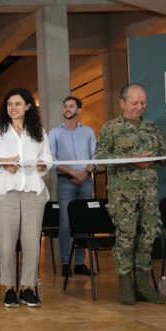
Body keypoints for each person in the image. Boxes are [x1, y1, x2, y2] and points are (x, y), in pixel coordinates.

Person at [94, 83, 166, 305]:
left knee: (147, 236)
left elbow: (163, 151)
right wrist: (133, 160)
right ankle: (125, 285)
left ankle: (143, 285)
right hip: (122, 193)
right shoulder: (111, 128)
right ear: (122, 103)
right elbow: (100, 156)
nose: (139, 107)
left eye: (143, 103)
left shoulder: (151, 127)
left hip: (148, 192)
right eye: (134, 103)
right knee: (126, 236)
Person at [0, 88, 52, 308]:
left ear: (28, 106)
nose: (13, 108)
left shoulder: (38, 131)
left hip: (33, 191)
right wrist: (2, 161)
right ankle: (9, 289)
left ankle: (28, 288)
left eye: (18, 104)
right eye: (9, 104)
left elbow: (47, 158)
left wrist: (42, 165)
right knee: (6, 245)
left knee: (32, 244)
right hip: (5, 193)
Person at [48, 96, 96, 277]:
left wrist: (86, 172)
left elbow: (95, 157)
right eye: (65, 106)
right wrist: (72, 172)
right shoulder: (54, 133)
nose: (67, 109)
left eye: (71, 106)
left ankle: (80, 263)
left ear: (79, 110)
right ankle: (65, 263)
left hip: (86, 181)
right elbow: (51, 160)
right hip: (65, 182)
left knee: (83, 222)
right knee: (66, 223)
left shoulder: (89, 132)